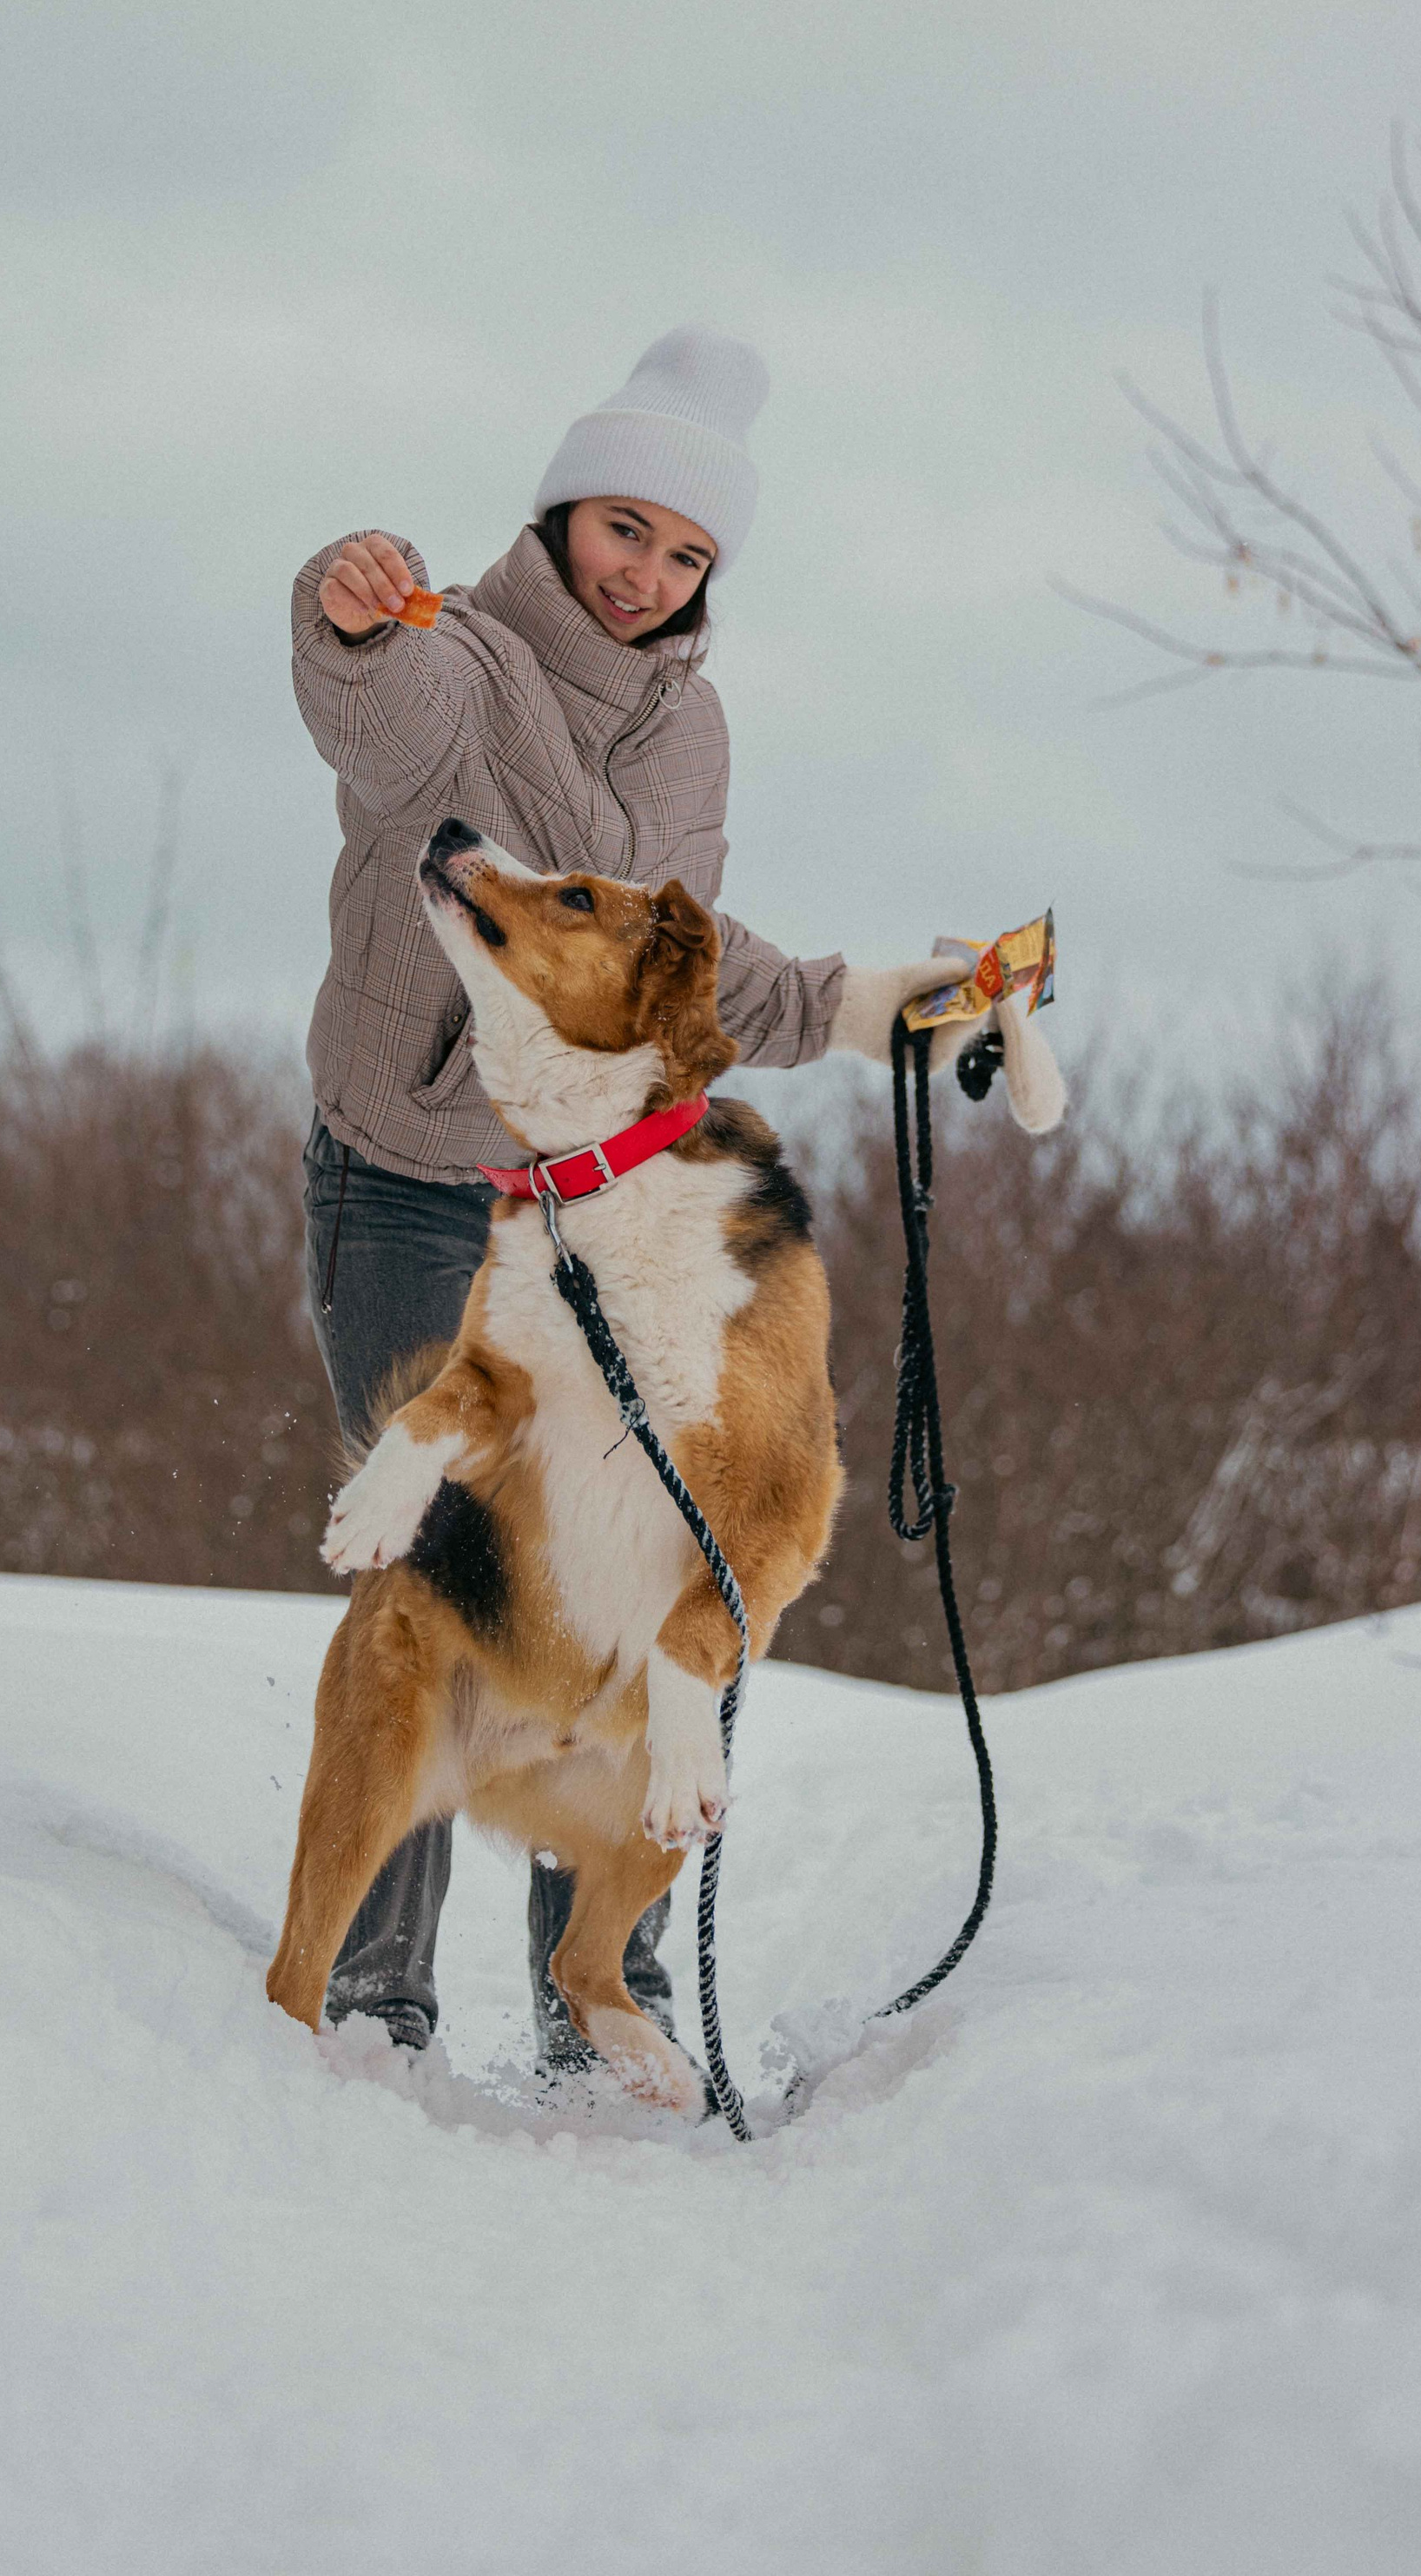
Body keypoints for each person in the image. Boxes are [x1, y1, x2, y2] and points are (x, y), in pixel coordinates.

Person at [289, 326, 951, 2065]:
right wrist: (346, 606)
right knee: (440, 1572)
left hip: (600, 1205)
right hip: (419, 1178)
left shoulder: (692, 728)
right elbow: (372, 710)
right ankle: (373, 1975)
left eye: (683, 551)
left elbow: (687, 958)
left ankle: (599, 1977)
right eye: (623, 528)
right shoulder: (462, 647)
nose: (644, 571)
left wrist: (881, 998)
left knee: (627, 1559)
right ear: (564, 504)